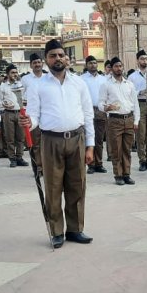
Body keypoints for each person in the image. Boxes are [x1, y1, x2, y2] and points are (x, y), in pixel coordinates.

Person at [22, 39, 95, 248]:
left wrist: (90, 145)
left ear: (67, 58)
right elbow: (34, 115)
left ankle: (75, 229)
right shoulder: (38, 86)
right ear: (46, 60)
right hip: (51, 140)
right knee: (53, 187)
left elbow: (88, 114)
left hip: (77, 139)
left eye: (61, 55)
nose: (58, 58)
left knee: (77, 186)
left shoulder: (79, 83)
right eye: (53, 55)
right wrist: (29, 121)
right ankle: (56, 231)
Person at [99, 57, 140, 185]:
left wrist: (136, 121)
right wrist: (106, 107)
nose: (119, 68)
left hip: (128, 119)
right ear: (111, 69)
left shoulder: (129, 84)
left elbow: (135, 103)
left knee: (127, 149)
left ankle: (127, 174)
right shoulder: (106, 84)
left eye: (120, 66)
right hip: (114, 120)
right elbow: (100, 103)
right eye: (116, 66)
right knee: (116, 149)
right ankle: (118, 175)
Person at [128, 49, 147, 171]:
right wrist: (140, 92)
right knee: (141, 135)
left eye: (146, 59)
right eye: (142, 59)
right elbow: (129, 94)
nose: (144, 61)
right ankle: (142, 160)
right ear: (137, 61)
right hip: (140, 105)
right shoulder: (132, 77)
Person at [81, 56, 109, 175]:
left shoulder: (104, 79)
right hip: (87, 111)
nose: (93, 65)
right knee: (88, 138)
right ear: (86, 65)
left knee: (99, 139)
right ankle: (90, 164)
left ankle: (99, 163)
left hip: (100, 110)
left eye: (94, 63)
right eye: (90, 63)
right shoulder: (82, 79)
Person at [0, 64, 28, 168]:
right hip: (8, 113)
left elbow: (26, 98)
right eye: (12, 72)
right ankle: (12, 159)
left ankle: (19, 157)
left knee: (20, 137)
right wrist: (4, 104)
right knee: (10, 138)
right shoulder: (3, 86)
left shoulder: (21, 85)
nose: (15, 74)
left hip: (20, 112)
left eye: (16, 72)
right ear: (7, 74)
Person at [21, 53, 46, 169]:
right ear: (31, 65)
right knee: (34, 143)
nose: (37, 64)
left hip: (46, 114)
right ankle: (37, 167)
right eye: (34, 63)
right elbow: (21, 97)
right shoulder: (25, 79)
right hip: (32, 114)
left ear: (42, 63)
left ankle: (46, 166)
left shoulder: (48, 78)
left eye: (39, 62)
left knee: (46, 143)